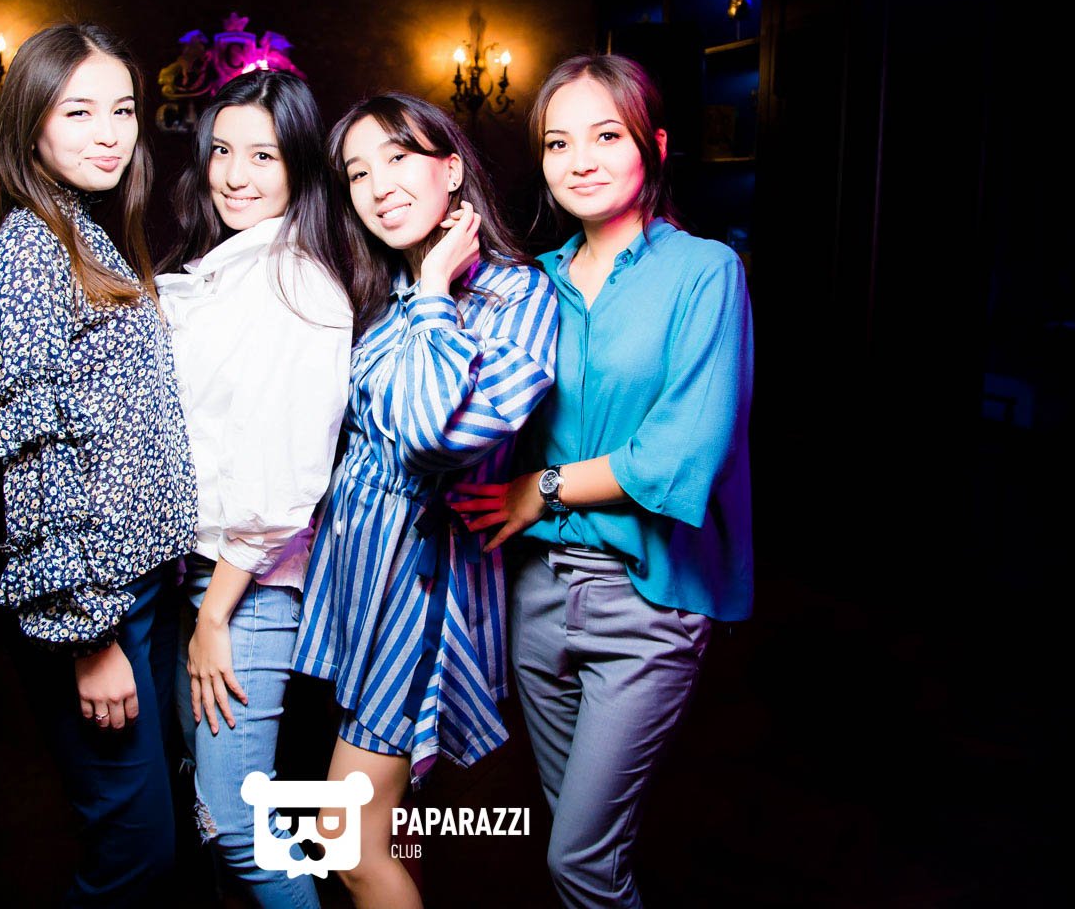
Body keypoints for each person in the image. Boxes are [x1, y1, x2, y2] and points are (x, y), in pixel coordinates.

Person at [454, 53, 754, 909]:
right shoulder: (528, 285)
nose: (579, 160)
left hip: (646, 599)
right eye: (558, 143)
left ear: (653, 147)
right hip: (536, 595)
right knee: (582, 843)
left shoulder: (704, 272)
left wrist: (539, 489)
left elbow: (680, 454)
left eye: (606, 136)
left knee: (578, 860)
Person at [292, 93, 559, 909]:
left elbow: (425, 436)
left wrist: (440, 286)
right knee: (392, 828)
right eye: (357, 173)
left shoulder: (516, 297)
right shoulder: (385, 298)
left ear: (451, 169)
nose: (378, 186)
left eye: (399, 157)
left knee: (345, 841)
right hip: (361, 588)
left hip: (422, 590)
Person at [0, 22, 197, 906]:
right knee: (134, 857)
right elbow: (37, 468)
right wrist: (89, 638)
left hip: (138, 587)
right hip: (94, 605)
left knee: (162, 841)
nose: (109, 134)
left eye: (123, 110)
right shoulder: (30, 253)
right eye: (78, 112)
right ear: (30, 124)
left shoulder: (84, 233)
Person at [156, 69, 354, 908]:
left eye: (263, 156)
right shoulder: (231, 268)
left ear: (300, 166)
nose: (234, 175)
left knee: (240, 823)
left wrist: (212, 618)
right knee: (210, 806)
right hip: (202, 577)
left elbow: (286, 482)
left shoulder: (296, 284)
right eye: (222, 151)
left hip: (248, 590)